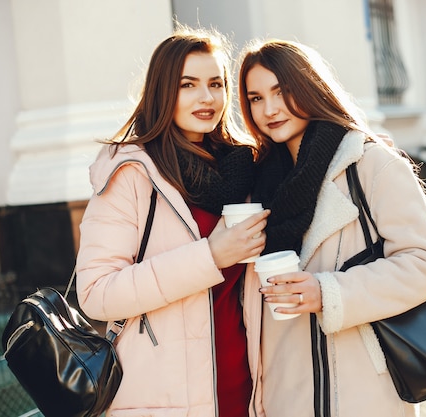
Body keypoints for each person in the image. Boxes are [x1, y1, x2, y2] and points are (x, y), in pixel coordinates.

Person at [237, 39, 426, 417]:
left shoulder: (371, 163)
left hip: (363, 390)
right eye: (255, 98)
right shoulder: (257, 183)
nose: (268, 109)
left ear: (308, 86)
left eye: (281, 91)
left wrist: (328, 292)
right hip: (285, 391)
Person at [75, 26, 269, 417]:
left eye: (216, 83)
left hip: (245, 387)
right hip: (161, 396)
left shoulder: (243, 169)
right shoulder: (132, 172)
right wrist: (210, 256)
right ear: (164, 91)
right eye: (188, 84)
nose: (207, 97)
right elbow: (96, 293)